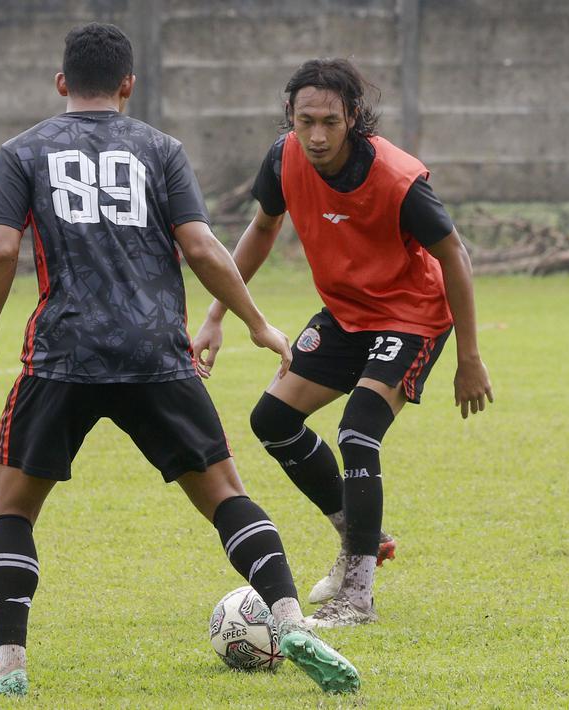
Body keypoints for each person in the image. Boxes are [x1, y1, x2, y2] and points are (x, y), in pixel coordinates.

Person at [0, 24, 360, 697]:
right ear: (127, 85)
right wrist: (253, 322)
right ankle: (290, 622)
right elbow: (199, 246)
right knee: (225, 495)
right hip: (154, 349)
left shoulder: (22, 151)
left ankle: (7, 670)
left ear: (60, 84)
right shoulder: (158, 148)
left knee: (12, 510)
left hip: (64, 353)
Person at [192, 58, 494, 627]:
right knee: (272, 421)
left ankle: (357, 596)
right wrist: (216, 315)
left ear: (353, 117)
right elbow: (261, 228)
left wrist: (470, 359)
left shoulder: (398, 179)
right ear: (291, 116)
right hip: (346, 313)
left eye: (330, 121)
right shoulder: (284, 158)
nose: (317, 135)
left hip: (411, 316)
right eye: (305, 120)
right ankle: (362, 536)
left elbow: (453, 253)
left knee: (357, 432)